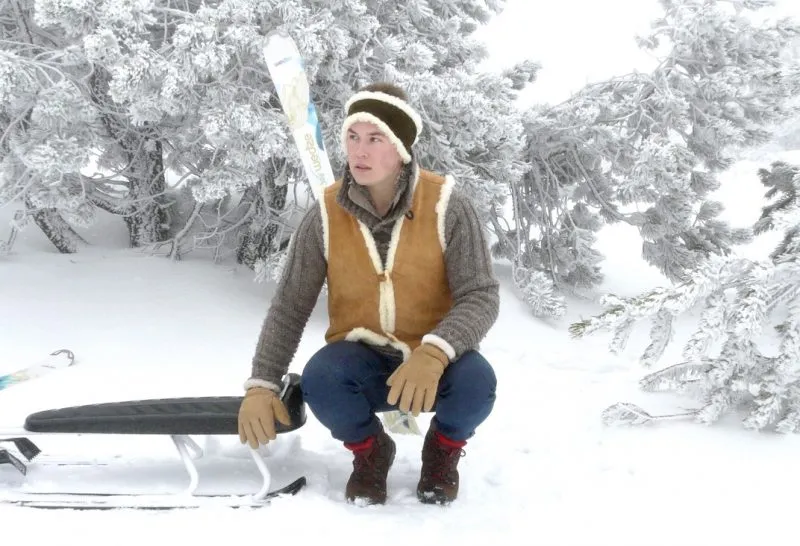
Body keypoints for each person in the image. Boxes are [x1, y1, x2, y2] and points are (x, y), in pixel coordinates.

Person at [237, 81, 499, 505]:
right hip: (362, 359)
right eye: (353, 137)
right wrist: (262, 384)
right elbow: (290, 305)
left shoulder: (447, 204)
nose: (359, 151)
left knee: (477, 384)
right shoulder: (325, 212)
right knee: (322, 380)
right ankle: (371, 452)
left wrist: (434, 353)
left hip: (436, 363)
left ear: (401, 148)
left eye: (375, 139)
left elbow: (481, 294)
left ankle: (442, 453)